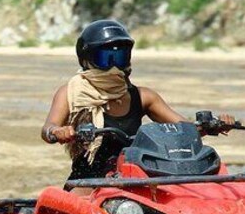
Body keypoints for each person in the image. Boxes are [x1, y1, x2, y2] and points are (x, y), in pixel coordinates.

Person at [41, 19, 234, 180]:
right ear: (86, 59)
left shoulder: (143, 96)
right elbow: (47, 128)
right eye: (106, 58)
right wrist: (57, 131)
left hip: (136, 175)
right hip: (90, 179)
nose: (114, 66)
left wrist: (213, 125)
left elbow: (184, 130)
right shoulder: (70, 92)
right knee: (75, 212)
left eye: (120, 57)